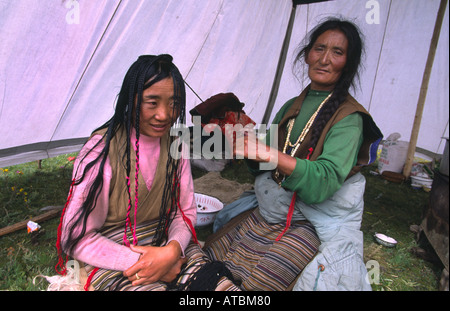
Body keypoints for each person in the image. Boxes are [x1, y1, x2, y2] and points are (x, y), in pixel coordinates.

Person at [204, 17, 383, 291]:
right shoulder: (292, 105)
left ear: (348, 63)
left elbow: (323, 182)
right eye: (319, 48)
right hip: (273, 207)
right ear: (307, 53)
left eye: (337, 52)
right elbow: (262, 166)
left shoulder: (350, 118)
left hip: (309, 219)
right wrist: (243, 143)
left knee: (260, 284)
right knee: (211, 260)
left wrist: (266, 152)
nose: (324, 59)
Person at [54, 55, 228, 291]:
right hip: (113, 248)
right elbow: (75, 236)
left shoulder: (177, 145)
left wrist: (172, 251)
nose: (165, 114)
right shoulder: (100, 152)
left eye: (174, 103)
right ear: (131, 100)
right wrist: (144, 263)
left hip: (165, 238)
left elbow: (184, 212)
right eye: (152, 102)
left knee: (219, 287)